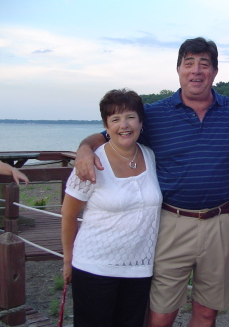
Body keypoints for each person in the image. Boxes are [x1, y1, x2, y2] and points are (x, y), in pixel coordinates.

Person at [73, 37, 229, 327]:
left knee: (208, 311)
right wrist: (85, 148)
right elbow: (112, 134)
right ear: (178, 69)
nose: (196, 71)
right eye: (189, 64)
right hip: (171, 223)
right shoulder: (156, 114)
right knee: (160, 314)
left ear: (215, 71)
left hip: (222, 222)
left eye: (204, 64)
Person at [61, 89, 162, 327]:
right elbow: (68, 215)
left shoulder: (150, 156)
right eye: (115, 119)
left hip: (139, 269)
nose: (124, 125)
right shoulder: (91, 162)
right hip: (95, 267)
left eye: (130, 117)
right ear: (106, 126)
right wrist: (67, 261)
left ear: (141, 122)